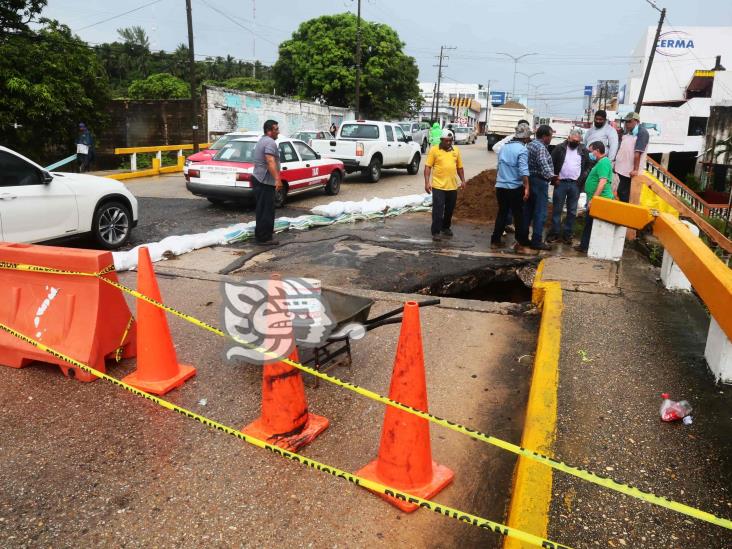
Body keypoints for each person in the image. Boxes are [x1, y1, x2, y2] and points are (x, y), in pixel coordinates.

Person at [491, 123, 532, 253]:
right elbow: (523, 171)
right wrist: (526, 187)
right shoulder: (522, 150)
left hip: (501, 187)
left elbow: (499, 167)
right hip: (515, 187)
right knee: (518, 215)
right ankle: (521, 242)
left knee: (502, 213)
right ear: (525, 138)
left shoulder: (503, 148)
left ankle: (495, 241)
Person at [546, 129, 590, 245]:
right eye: (573, 140)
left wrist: (581, 179)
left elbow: (588, 166)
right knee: (557, 209)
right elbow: (550, 163)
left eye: (577, 141)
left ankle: (567, 234)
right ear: (568, 138)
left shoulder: (583, 150)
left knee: (571, 211)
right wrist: (554, 178)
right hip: (560, 183)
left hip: (575, 184)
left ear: (580, 141)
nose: (575, 142)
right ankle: (554, 233)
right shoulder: (559, 148)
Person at [424, 129, 466, 241]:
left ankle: (445, 227)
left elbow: (459, 167)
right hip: (438, 186)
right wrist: (427, 182)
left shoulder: (456, 150)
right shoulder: (434, 150)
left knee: (449, 209)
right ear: (441, 140)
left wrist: (463, 180)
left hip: (452, 186)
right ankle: (436, 231)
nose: (448, 143)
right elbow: (427, 167)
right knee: (438, 209)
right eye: (446, 141)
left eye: (450, 141)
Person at [576, 141, 615, 253]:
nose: (590, 153)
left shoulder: (604, 163)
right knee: (589, 223)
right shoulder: (600, 162)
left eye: (591, 150)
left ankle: (587, 247)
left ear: (597, 151)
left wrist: (594, 199)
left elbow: (602, 182)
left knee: (593, 224)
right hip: (596, 199)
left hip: (601, 200)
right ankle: (584, 246)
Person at [523, 124, 556, 250]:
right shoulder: (541, 147)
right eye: (551, 135)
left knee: (528, 211)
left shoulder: (530, 145)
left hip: (529, 181)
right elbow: (543, 163)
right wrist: (552, 177)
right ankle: (536, 241)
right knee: (540, 212)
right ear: (545, 136)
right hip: (539, 182)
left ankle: (524, 238)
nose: (551, 138)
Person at [252, 119, 282, 245]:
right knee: (266, 210)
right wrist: (277, 179)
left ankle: (262, 233)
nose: (278, 132)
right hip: (264, 181)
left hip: (259, 179)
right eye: (276, 129)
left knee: (262, 209)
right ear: (269, 131)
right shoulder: (270, 142)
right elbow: (270, 161)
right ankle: (264, 238)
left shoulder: (262, 140)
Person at [613, 111, 650, 203]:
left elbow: (638, 152)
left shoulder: (642, 132)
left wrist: (635, 169)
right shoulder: (629, 132)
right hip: (622, 169)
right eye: (626, 122)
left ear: (636, 121)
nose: (627, 124)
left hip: (630, 171)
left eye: (629, 121)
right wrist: (616, 164)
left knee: (624, 193)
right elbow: (622, 148)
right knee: (621, 192)